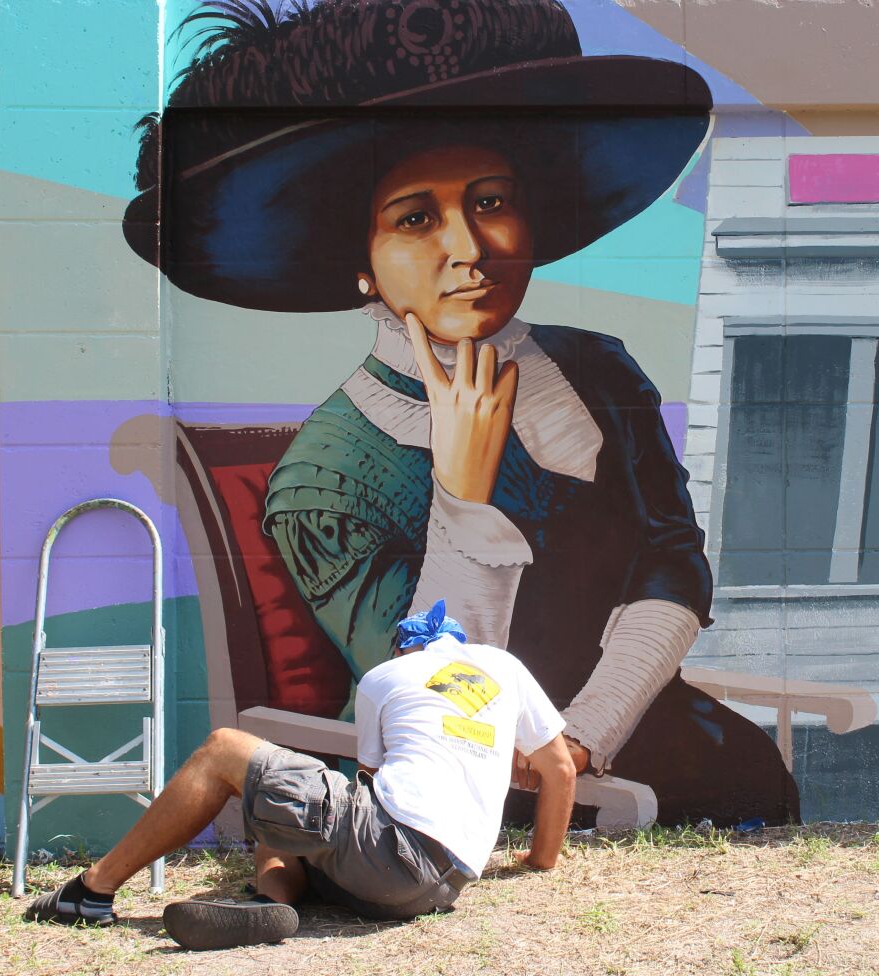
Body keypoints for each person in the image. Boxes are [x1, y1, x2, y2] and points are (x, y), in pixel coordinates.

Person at [123, 0, 800, 825]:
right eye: (416, 219)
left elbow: (672, 559)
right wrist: (463, 502)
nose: (470, 250)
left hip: (643, 735)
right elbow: (434, 692)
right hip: (463, 783)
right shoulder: (324, 475)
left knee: (748, 777)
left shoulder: (595, 365)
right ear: (362, 264)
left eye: (491, 201)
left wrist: (589, 731)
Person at [25, 600, 575, 950]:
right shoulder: (504, 667)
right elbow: (561, 772)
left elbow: (370, 777)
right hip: (437, 887)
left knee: (224, 751)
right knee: (284, 812)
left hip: (391, 850)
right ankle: (274, 907)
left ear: (403, 646)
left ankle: (90, 892)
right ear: (456, 642)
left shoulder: (384, 677)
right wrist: (538, 860)